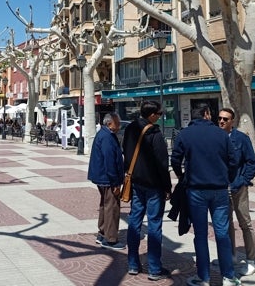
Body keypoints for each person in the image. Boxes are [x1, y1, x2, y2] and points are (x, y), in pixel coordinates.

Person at [171, 104, 241, 286]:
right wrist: (227, 178)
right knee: (222, 233)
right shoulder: (222, 135)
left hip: (196, 189)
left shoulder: (184, 134)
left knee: (200, 235)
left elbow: (175, 159)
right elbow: (234, 161)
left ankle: (204, 276)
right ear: (207, 114)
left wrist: (182, 176)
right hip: (219, 189)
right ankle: (228, 276)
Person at [122, 100, 173, 281]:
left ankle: (133, 264)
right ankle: (154, 268)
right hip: (153, 186)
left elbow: (125, 152)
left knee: (134, 222)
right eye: (159, 114)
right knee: (154, 225)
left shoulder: (129, 129)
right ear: (152, 115)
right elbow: (162, 163)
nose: (160, 117)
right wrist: (167, 187)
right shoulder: (154, 132)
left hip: (136, 183)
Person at [218, 108, 255, 277]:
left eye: (225, 119)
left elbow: (252, 162)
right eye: (219, 118)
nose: (221, 121)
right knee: (226, 224)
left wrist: (243, 180)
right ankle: (231, 256)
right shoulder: (216, 138)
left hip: (238, 187)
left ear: (232, 121)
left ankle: (251, 261)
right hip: (221, 188)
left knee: (245, 223)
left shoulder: (241, 138)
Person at [87, 112, 124, 250]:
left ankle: (102, 233)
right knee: (112, 207)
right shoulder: (107, 137)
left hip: (102, 177)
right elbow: (110, 160)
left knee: (105, 205)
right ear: (109, 123)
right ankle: (110, 239)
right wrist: (115, 182)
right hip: (107, 178)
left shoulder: (104, 134)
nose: (119, 126)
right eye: (117, 123)